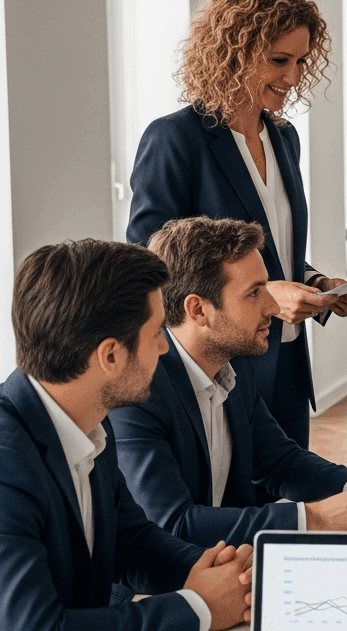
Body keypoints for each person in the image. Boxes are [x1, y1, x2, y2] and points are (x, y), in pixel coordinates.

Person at [126, 0, 347, 449]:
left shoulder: (283, 138)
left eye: (300, 61)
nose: (294, 77)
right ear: (232, 52)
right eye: (279, 60)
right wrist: (266, 296)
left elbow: (275, 247)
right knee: (231, 514)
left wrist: (313, 283)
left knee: (286, 505)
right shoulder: (175, 139)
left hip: (288, 367)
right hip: (219, 368)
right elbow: (149, 266)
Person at [108, 217, 347, 549]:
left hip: (226, 567)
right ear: (198, 310)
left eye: (266, 287)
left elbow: (279, 461)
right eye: (254, 293)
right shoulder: (137, 391)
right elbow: (172, 524)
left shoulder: (233, 361)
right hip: (160, 591)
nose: (271, 306)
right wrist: (316, 518)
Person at [0, 239, 253, 631]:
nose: (165, 348)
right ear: (111, 356)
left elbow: (128, 538)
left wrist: (218, 572)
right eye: (156, 333)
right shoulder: (6, 464)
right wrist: (199, 608)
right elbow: (37, 626)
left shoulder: (89, 417)